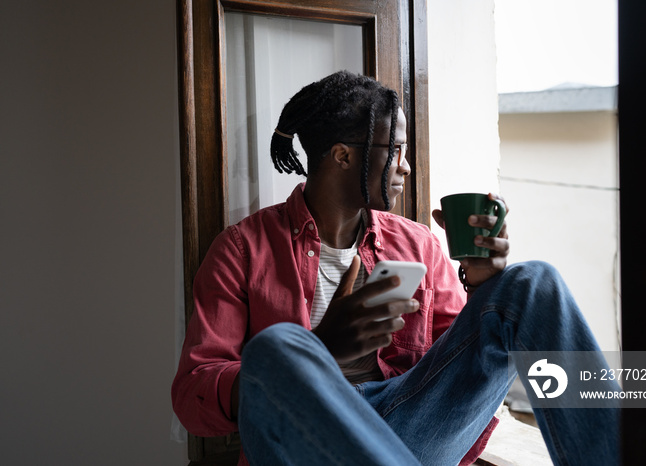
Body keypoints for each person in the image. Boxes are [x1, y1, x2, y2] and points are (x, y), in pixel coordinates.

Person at [172, 70, 619, 465]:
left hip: (405, 429)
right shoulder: (242, 249)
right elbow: (193, 397)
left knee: (532, 281)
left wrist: (483, 287)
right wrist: (319, 352)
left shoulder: (417, 244)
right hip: (304, 444)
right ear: (343, 156)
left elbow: (461, 365)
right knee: (276, 349)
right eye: (397, 149)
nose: (404, 166)